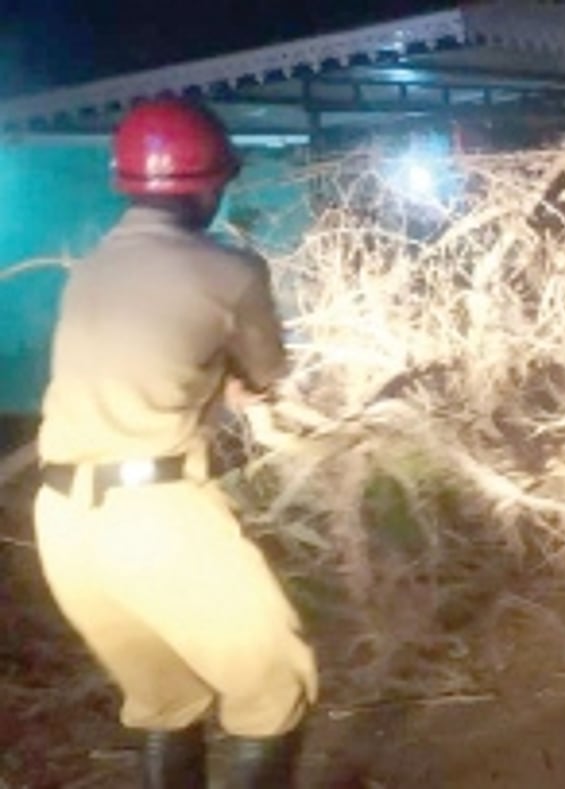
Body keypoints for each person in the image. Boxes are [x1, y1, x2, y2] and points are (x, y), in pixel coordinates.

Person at [33, 98, 317, 788]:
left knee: (167, 700)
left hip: (63, 525)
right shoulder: (233, 271)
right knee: (278, 688)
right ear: (209, 183)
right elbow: (267, 372)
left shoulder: (93, 268)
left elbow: (152, 358)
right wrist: (253, 395)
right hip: (155, 518)